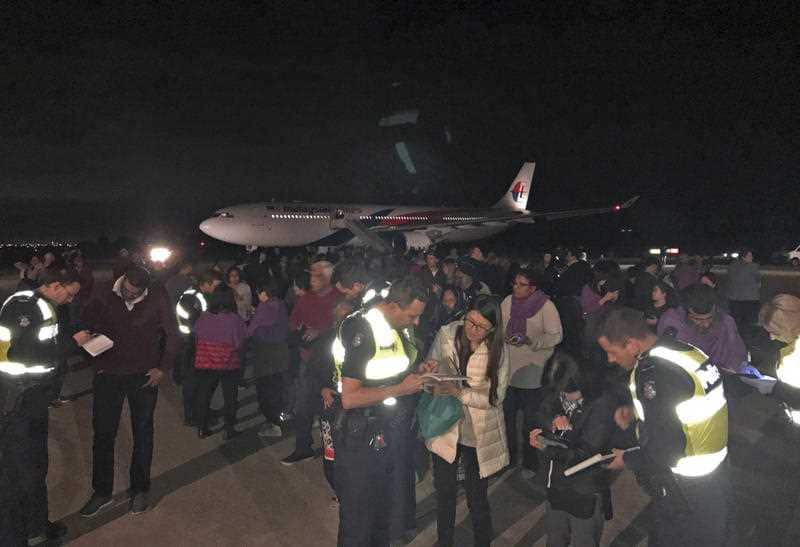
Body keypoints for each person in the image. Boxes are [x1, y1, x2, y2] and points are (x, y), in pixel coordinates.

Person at [597, 307, 730, 546]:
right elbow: (681, 405)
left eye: (612, 351)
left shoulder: (654, 372)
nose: (610, 359)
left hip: (685, 480)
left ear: (632, 345)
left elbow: (666, 446)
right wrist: (638, 413)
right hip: (714, 469)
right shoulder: (684, 351)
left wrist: (626, 459)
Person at [333, 276, 431, 547]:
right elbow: (350, 398)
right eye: (412, 316)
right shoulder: (361, 330)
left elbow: (385, 368)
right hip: (360, 433)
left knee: (381, 510)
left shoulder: (392, 325)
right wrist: (401, 389)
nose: (416, 322)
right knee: (358, 515)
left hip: (387, 430)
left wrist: (415, 371)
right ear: (393, 306)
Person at [77, 265, 180, 517]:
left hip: (143, 376)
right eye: (127, 291)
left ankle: (140, 490)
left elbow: (173, 334)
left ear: (145, 289)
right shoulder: (104, 292)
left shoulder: (158, 296)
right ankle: (102, 493)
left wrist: (162, 367)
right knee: (103, 434)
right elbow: (82, 326)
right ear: (122, 282)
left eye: (135, 294)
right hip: (108, 376)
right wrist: (96, 361)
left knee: (143, 434)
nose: (129, 296)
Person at [426, 295, 509, 547]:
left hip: (478, 429)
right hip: (446, 425)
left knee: (477, 496)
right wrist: (429, 370)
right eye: (469, 321)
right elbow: (433, 370)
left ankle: (482, 541)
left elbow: (496, 397)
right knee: (445, 494)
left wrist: (460, 393)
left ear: (492, 329)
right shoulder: (447, 334)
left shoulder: (499, 349)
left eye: (481, 327)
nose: (472, 330)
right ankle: (445, 541)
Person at [0, 268, 76, 545]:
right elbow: (22, 352)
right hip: (17, 398)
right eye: (69, 293)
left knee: (37, 466)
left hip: (36, 398)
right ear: (55, 285)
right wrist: (70, 345)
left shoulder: (46, 306)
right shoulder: (24, 306)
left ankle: (37, 525)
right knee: (15, 472)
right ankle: (13, 537)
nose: (70, 300)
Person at [529, 351, 620, 547]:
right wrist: (551, 423)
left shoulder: (602, 405)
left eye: (568, 392)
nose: (564, 397)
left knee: (584, 539)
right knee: (555, 537)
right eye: (560, 392)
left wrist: (547, 446)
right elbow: (542, 411)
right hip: (556, 482)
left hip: (585, 488)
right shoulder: (559, 390)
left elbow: (587, 455)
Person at [500, 268, 563, 475]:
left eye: (522, 284)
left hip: (534, 372)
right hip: (510, 370)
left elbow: (555, 336)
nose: (516, 288)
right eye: (515, 283)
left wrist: (531, 341)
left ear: (533, 287)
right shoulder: (508, 302)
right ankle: (507, 459)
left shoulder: (546, 306)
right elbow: (499, 327)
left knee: (531, 422)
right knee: (506, 419)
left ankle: (530, 462)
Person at [283, 260, 341, 465]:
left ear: (328, 278)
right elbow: (292, 321)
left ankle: (336, 456)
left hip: (330, 364)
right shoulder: (307, 298)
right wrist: (299, 329)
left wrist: (321, 332)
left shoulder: (339, 299)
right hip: (307, 359)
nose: (311, 280)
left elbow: (342, 326)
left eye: (317, 276)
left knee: (331, 410)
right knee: (303, 406)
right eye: (311, 276)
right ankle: (303, 447)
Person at [657, 284, 748, 372]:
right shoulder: (671, 323)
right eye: (698, 319)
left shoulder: (726, 323)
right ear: (684, 313)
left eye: (709, 318)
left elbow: (738, 358)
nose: (706, 324)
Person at [194, 288, 246, 440]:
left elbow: (196, 335)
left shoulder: (204, 318)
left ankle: (202, 428)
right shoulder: (234, 319)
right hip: (228, 364)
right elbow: (239, 342)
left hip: (206, 363)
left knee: (204, 394)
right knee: (230, 396)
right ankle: (229, 429)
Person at [175, 270, 223, 426]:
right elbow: (204, 323)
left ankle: (200, 411)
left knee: (193, 381)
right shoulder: (200, 299)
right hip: (192, 343)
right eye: (214, 286)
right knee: (195, 382)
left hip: (186, 340)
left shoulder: (190, 292)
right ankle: (194, 415)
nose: (216, 289)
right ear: (207, 284)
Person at [246, 279, 290, 438]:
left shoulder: (265, 307)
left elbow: (250, 331)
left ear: (265, 292)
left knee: (266, 389)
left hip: (266, 355)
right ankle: (283, 416)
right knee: (279, 387)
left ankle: (274, 424)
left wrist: (253, 316)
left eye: (259, 292)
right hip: (281, 353)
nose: (258, 295)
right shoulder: (281, 304)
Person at [726, 248, 761, 330]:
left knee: (735, 323)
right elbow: (758, 281)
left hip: (734, 299)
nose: (752, 257)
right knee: (750, 323)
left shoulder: (732, 266)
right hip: (750, 299)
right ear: (743, 257)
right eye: (749, 255)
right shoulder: (753, 266)